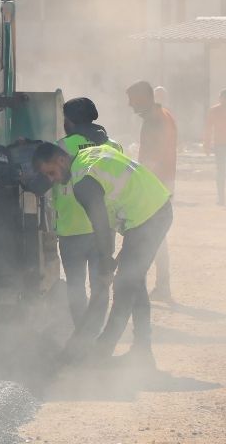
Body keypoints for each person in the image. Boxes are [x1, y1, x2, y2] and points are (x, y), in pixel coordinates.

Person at [34, 141, 173, 369]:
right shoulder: (88, 155)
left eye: (51, 173)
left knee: (124, 285)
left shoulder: (82, 183)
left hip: (149, 217)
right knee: (133, 282)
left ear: (60, 160)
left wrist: (106, 261)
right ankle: (142, 353)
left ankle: (100, 355)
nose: (53, 180)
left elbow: (99, 223)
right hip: (152, 209)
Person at [54, 97, 123, 329]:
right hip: (103, 228)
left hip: (71, 229)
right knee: (100, 285)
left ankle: (81, 334)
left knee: (75, 286)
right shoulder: (113, 146)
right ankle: (94, 332)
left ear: (70, 121)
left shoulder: (62, 147)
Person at [126, 80, 177, 302]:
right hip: (161, 183)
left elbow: (154, 157)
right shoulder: (162, 115)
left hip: (155, 185)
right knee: (157, 236)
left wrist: (139, 180)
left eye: (132, 100)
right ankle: (161, 285)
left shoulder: (156, 120)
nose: (130, 105)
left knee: (152, 235)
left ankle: (158, 286)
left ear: (144, 98)